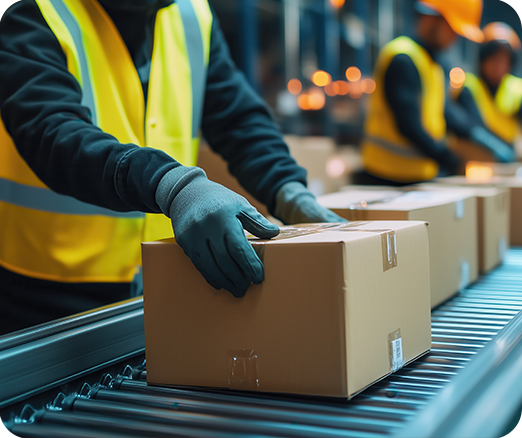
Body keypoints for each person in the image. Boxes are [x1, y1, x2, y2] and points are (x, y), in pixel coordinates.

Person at [0, 0, 344, 334]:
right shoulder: (38, 11)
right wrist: (173, 185)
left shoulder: (192, 14)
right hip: (45, 291)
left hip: (159, 278)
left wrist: (287, 187)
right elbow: (52, 131)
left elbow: (238, 119)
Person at [356, 0, 515, 187]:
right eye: (453, 29)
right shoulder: (403, 58)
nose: (454, 39)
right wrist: (451, 161)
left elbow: (449, 114)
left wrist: (482, 138)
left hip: (417, 175)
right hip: (385, 177)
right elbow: (409, 125)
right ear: (434, 19)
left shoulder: (433, 65)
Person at [453, 21, 522, 151]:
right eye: (494, 59)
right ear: (483, 59)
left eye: (503, 61)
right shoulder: (469, 86)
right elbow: (474, 129)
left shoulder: (516, 88)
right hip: (479, 153)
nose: (498, 66)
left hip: (510, 154)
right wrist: (500, 149)